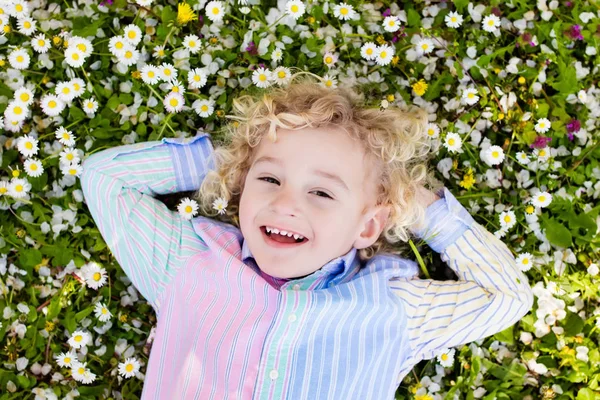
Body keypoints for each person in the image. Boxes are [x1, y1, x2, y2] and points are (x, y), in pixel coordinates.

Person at [80, 72, 534, 399]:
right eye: (270, 180)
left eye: (321, 192)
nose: (286, 204)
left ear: (368, 226)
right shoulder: (188, 264)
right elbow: (104, 178)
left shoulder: (394, 311)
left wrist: (421, 208)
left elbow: (506, 296)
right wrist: (233, 161)